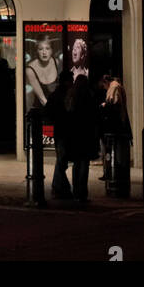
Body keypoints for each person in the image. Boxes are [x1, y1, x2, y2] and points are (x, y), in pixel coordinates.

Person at [65, 74, 101, 202]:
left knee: (76, 163)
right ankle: (82, 192)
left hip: (74, 134)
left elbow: (68, 113)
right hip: (86, 133)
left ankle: (75, 191)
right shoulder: (89, 95)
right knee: (84, 163)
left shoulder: (71, 95)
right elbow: (94, 116)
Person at [47, 71, 73, 198]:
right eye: (70, 80)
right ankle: (58, 186)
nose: (72, 82)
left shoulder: (55, 95)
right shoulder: (64, 95)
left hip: (59, 130)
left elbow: (48, 113)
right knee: (62, 160)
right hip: (63, 130)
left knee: (62, 159)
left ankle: (61, 186)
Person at [25, 36, 60, 107]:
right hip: (40, 110)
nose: (44, 52)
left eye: (47, 48)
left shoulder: (57, 62)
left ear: (51, 50)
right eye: (40, 49)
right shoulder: (30, 70)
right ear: (37, 51)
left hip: (57, 108)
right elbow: (42, 100)